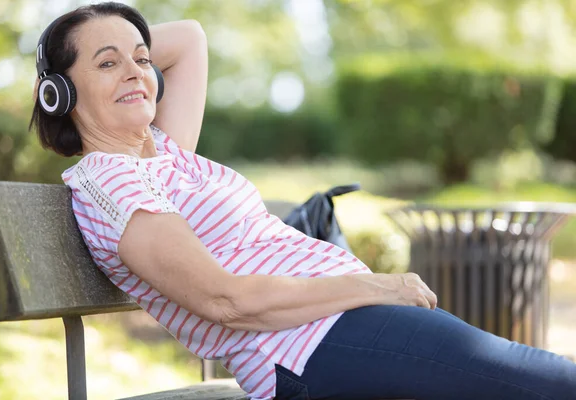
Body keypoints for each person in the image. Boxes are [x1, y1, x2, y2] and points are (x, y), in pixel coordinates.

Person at [29, 2, 576, 399]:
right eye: (107, 64)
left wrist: (121, 44)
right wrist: (375, 284)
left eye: (142, 59)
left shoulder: (165, 154)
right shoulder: (112, 184)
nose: (135, 72)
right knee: (544, 380)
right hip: (306, 349)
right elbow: (227, 302)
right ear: (62, 94)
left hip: (335, 329)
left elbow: (190, 38)